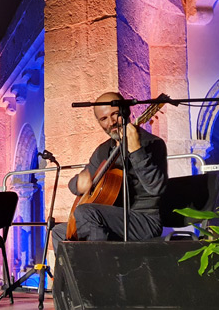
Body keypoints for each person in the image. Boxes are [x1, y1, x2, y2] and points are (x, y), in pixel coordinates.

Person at [51, 92, 168, 249]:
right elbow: (74, 184)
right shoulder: (103, 150)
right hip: (110, 218)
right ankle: (78, 273)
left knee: (86, 212)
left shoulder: (152, 143)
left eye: (115, 114)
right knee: (59, 232)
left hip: (143, 220)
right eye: (104, 119)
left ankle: (100, 271)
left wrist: (136, 151)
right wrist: (79, 183)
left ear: (126, 111)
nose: (112, 122)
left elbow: (156, 188)